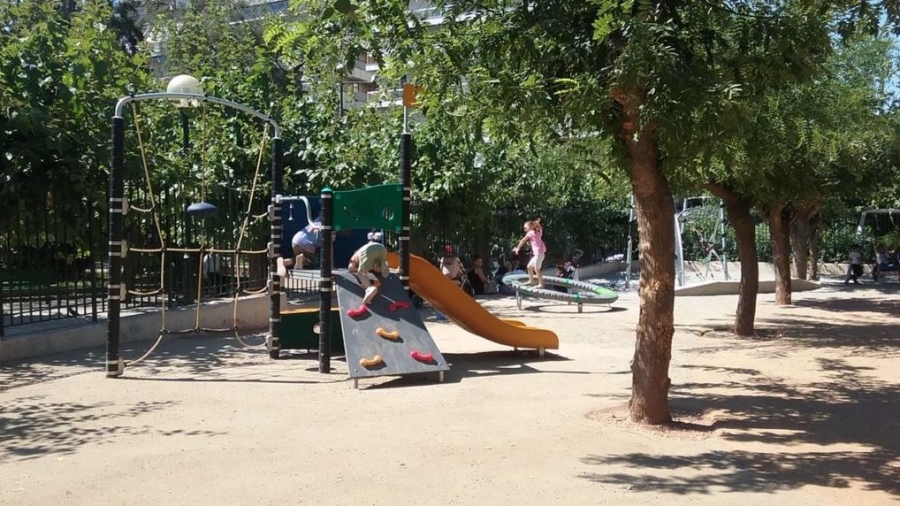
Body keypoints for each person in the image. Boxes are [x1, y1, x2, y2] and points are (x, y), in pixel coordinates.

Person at [348, 231, 389, 305]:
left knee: (361, 273)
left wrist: (358, 269)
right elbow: (373, 268)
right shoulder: (365, 248)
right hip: (382, 248)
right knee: (376, 267)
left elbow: (350, 268)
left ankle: (369, 289)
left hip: (368, 251)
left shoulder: (354, 257)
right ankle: (382, 266)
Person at [513, 218, 547, 288]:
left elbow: (523, 240)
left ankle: (541, 284)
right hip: (538, 255)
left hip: (539, 254)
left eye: (526, 228)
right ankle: (531, 280)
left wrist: (518, 249)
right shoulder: (538, 232)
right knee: (529, 267)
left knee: (536, 269)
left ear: (531, 227)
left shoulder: (532, 232)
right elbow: (539, 228)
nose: (525, 230)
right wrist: (537, 223)